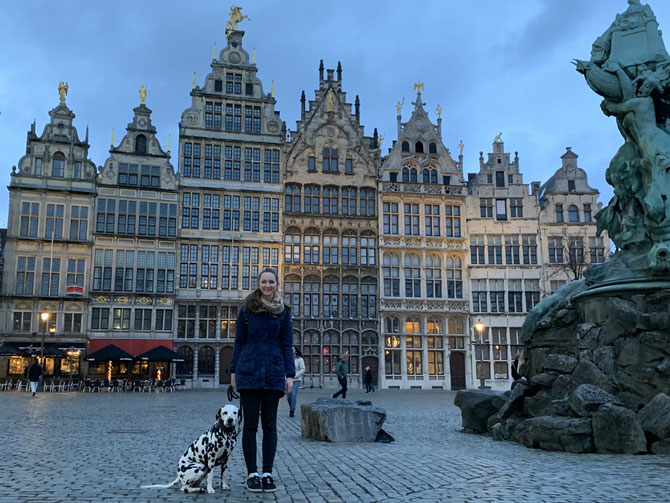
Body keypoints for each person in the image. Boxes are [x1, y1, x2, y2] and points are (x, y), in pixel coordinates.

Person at [230, 268, 294, 493]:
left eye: (271, 282)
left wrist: (290, 375)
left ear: (277, 285)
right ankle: (252, 473)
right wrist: (233, 371)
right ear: (259, 284)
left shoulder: (284, 312)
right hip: (248, 370)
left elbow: (287, 345)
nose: (268, 285)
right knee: (249, 426)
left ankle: (267, 472)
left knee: (270, 425)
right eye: (264, 282)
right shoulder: (247, 309)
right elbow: (239, 341)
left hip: (274, 372)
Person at [289, 347, 305, 417]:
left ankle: (292, 410)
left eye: (292, 349)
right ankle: (291, 406)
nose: (291, 350)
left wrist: (296, 375)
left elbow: (303, 369)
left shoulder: (300, 359)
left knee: (293, 394)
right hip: (289, 379)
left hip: (296, 379)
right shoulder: (288, 358)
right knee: (288, 397)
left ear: (296, 351)